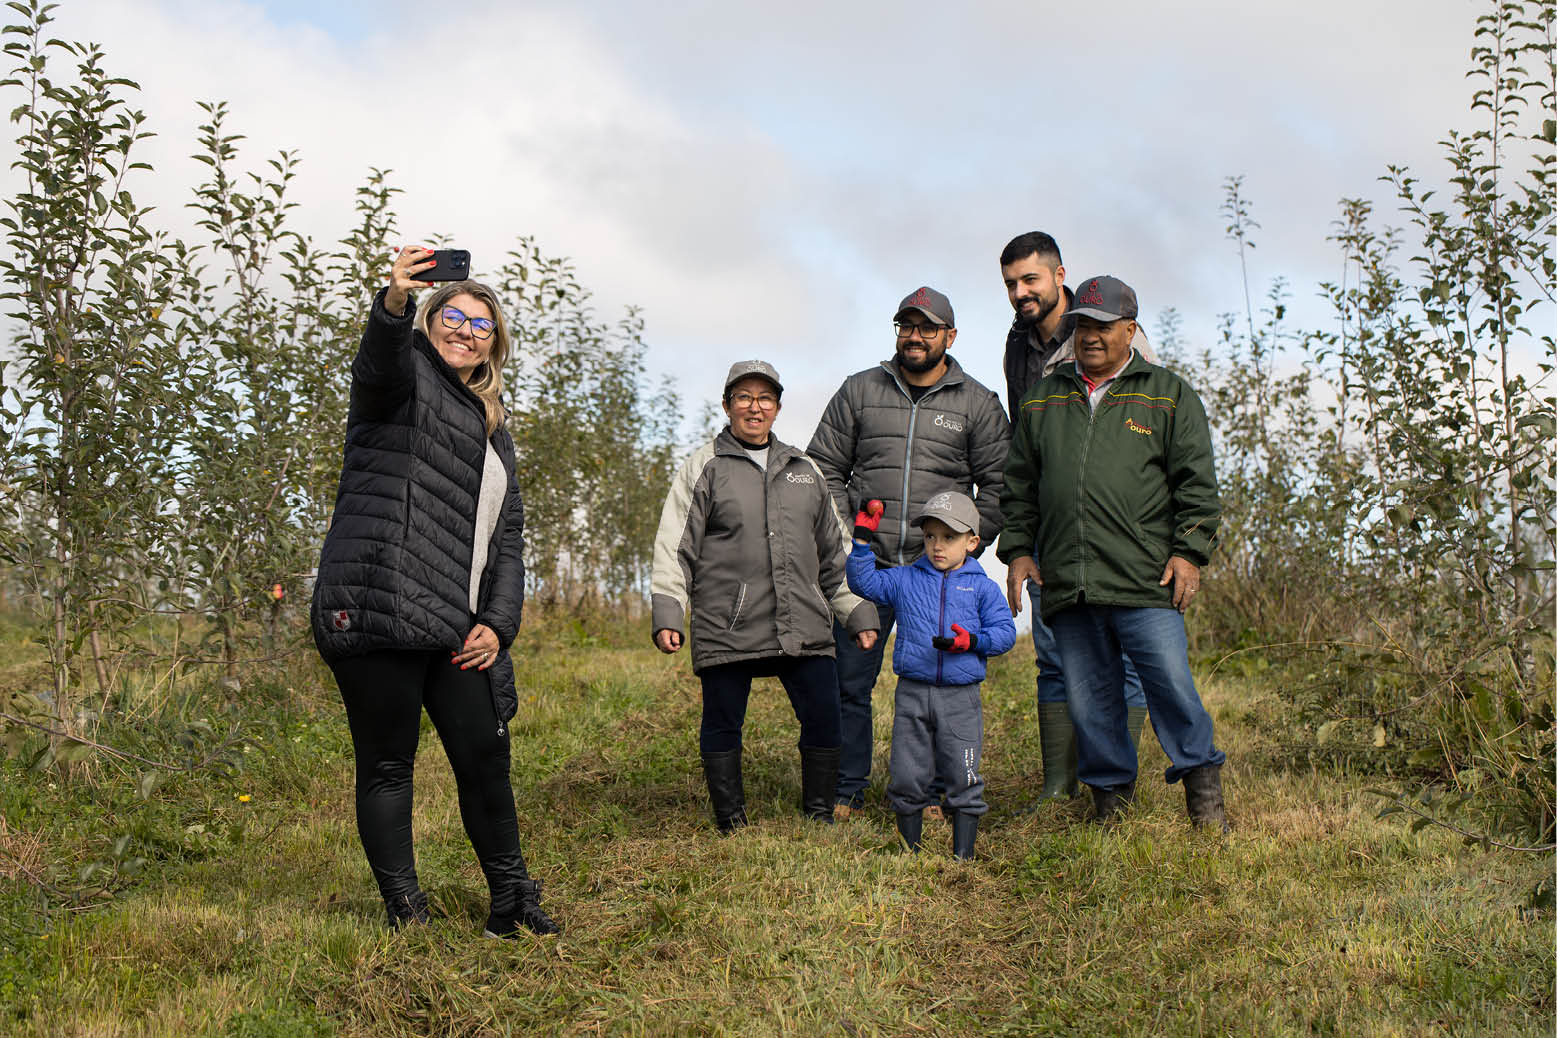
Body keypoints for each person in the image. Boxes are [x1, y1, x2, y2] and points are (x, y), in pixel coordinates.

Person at [312, 247, 559, 937]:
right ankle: (407, 914)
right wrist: (393, 302)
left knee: (485, 757)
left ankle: (511, 903)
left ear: (493, 344)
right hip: (379, 601)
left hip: (455, 620)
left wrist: (498, 624)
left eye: (481, 325)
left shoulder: (494, 429)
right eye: (453, 317)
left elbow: (508, 537)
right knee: (389, 765)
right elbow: (377, 364)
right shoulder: (403, 376)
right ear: (429, 321)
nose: (465, 332)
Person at [998, 275, 1228, 829]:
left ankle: (1205, 803)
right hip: (1068, 579)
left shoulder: (1167, 394)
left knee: (1171, 687)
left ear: (1130, 330)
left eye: (1103, 326)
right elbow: (1019, 485)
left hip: (1144, 578)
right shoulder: (1043, 399)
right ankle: (1111, 806)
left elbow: (1197, 485)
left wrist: (1189, 554)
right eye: (1082, 325)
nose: (1091, 336)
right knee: (1089, 697)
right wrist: (1020, 550)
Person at [651, 360, 879, 833]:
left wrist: (856, 611)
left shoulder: (805, 469)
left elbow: (834, 553)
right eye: (744, 397)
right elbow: (675, 544)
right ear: (727, 405)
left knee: (825, 716)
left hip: (803, 622)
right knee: (722, 720)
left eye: (765, 398)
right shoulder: (704, 466)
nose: (754, 408)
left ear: (777, 407)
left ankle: (819, 814)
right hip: (727, 623)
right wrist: (669, 611)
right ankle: (731, 820)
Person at [808, 286, 1010, 819]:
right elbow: (823, 467)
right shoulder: (860, 390)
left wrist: (963, 548)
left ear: (950, 336)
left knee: (940, 685)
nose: (915, 336)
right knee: (848, 684)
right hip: (868, 570)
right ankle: (847, 788)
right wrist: (848, 538)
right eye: (907, 326)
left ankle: (940, 792)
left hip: (937, 577)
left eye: (927, 328)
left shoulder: (978, 403)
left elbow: (1000, 486)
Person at [998, 231, 1154, 801]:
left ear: (1059, 276)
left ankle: (1116, 786)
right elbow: (1024, 446)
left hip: (1118, 529)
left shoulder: (1110, 330)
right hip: (1051, 524)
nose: (1021, 292)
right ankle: (1058, 786)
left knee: (1126, 655)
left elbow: (1149, 430)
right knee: (1053, 654)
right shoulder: (1018, 344)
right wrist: (1020, 536)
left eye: (1030, 279)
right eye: (1011, 283)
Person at [845, 492, 1015, 859]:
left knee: (963, 773)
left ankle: (963, 855)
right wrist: (861, 542)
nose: (937, 546)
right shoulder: (905, 579)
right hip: (913, 693)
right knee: (907, 773)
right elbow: (864, 584)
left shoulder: (983, 588)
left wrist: (972, 642)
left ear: (972, 542)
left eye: (949, 537)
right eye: (930, 536)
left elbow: (1005, 634)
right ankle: (911, 852)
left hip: (961, 697)